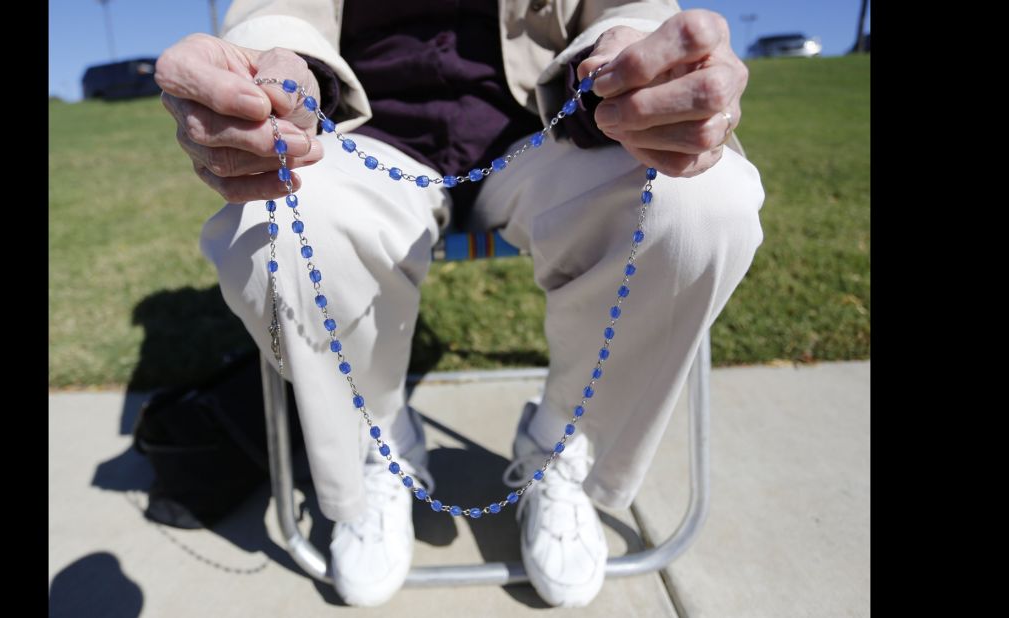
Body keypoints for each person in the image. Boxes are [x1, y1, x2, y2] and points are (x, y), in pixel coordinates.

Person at [156, 0, 764, 608]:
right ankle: (381, 444)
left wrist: (630, 57)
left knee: (702, 204)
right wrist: (274, 73)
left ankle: (561, 447)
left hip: (544, 133)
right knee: (273, 223)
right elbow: (280, 12)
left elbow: (623, 8)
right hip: (366, 138)